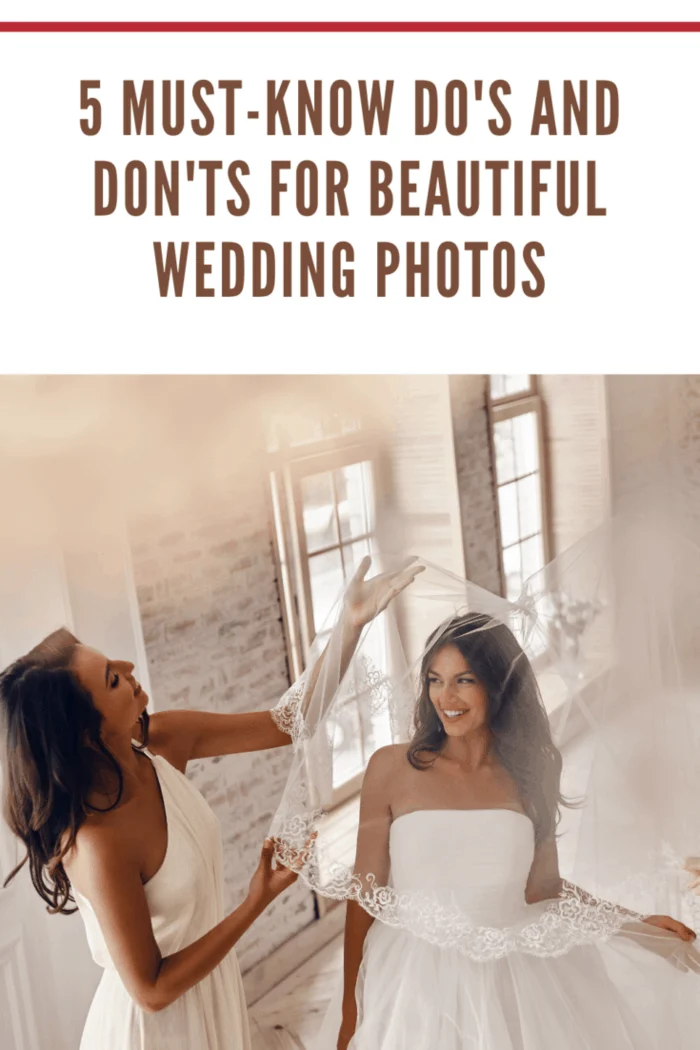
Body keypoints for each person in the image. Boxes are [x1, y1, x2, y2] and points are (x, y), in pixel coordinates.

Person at [0, 556, 423, 1050]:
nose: (130, 669)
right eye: (112, 679)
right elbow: (152, 990)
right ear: (86, 733)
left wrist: (349, 625)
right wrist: (256, 901)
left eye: (113, 663)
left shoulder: (160, 741)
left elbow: (290, 721)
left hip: (212, 995)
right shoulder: (97, 842)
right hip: (155, 1033)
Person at [300, 608, 700, 1050]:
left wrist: (633, 923)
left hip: (512, 985)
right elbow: (364, 899)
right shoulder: (391, 768)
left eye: (463, 679)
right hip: (411, 987)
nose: (445, 696)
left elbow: (545, 889)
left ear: (498, 684)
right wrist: (350, 1014)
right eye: (435, 679)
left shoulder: (532, 773)